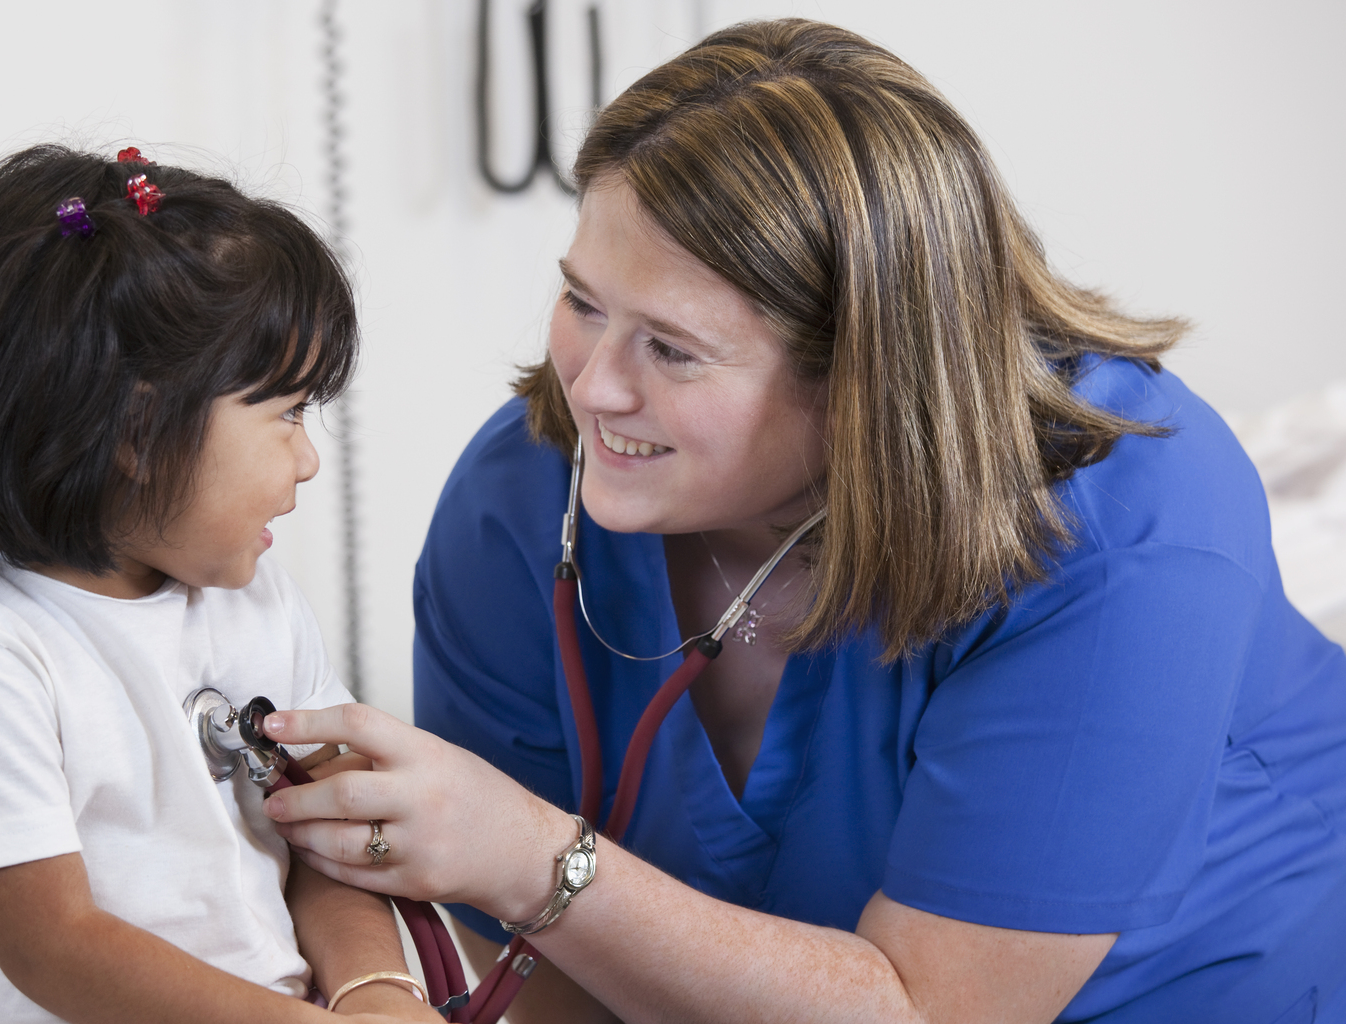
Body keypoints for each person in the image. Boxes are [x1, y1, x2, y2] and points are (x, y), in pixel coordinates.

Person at [260, 19, 1346, 1024]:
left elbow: (932, 1009)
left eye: (672, 349)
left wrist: (537, 856)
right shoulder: (527, 494)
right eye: (585, 303)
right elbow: (548, 964)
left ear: (866, 377)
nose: (592, 388)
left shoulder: (1123, 525)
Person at [0, 145, 439, 1024]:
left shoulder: (255, 603)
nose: (308, 460)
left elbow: (327, 844)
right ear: (137, 427)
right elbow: (60, 951)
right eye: (286, 414)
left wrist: (377, 993)